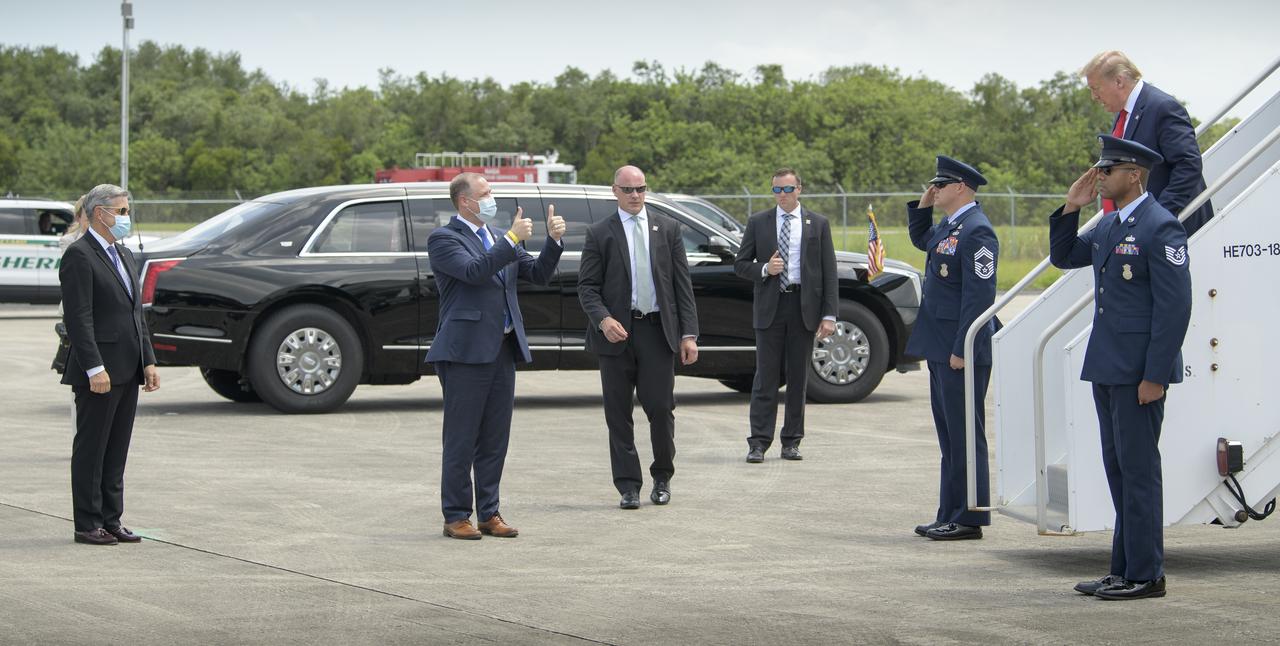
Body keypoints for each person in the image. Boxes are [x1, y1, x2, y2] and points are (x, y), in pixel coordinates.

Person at [1049, 136, 1192, 600]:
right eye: (1099, 170)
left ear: (1134, 175)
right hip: (1109, 365)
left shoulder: (1161, 226)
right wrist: (1071, 207)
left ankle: (1147, 574)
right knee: (1118, 471)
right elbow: (1065, 256)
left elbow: (1174, 309)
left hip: (1138, 374)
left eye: (1107, 172)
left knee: (1139, 472)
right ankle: (1123, 569)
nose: (1100, 178)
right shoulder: (1109, 225)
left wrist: (1155, 375)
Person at [426, 172, 565, 540]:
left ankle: (489, 512)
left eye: (492, 193)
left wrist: (552, 241)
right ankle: (456, 515)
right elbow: (474, 272)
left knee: (494, 438)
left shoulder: (495, 237)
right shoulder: (444, 238)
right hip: (465, 351)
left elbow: (537, 274)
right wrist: (511, 237)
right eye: (485, 194)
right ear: (464, 202)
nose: (492, 199)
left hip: (502, 347)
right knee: (461, 437)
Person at [578, 165, 699, 510]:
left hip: (657, 332)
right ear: (614, 190)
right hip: (616, 334)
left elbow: (682, 288)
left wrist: (688, 334)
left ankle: (662, 476)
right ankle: (628, 485)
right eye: (628, 189)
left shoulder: (668, 229)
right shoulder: (599, 233)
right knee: (618, 413)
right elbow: (587, 288)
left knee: (660, 409)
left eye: (641, 189)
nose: (635, 196)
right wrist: (603, 320)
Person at [905, 156, 1001, 541]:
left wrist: (963, 347)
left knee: (964, 434)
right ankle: (949, 511)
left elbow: (980, 297)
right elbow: (923, 241)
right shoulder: (952, 225)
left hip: (959, 348)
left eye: (940, 186)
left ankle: (969, 517)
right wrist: (923, 208)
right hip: (940, 344)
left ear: (960, 187)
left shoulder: (978, 231)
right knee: (949, 434)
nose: (935, 190)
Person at [59, 184, 160, 545]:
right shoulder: (79, 256)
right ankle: (87, 523)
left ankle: (111, 518)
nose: (125, 218)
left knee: (116, 449)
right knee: (92, 449)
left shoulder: (124, 254)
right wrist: (93, 368)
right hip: (99, 371)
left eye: (126, 211)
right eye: (119, 211)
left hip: (128, 366)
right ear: (98, 212)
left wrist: (148, 360)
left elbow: (136, 314)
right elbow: (79, 319)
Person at [732, 168, 837, 463]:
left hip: (803, 308)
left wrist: (829, 314)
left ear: (799, 189)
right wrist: (765, 269)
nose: (782, 195)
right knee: (765, 378)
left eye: (788, 189)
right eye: (777, 190)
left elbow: (828, 272)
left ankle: (791, 440)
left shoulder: (817, 224)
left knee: (798, 377)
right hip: (771, 307)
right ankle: (758, 441)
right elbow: (740, 265)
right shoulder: (759, 222)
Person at [1082, 50, 1214, 235]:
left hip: (1170, 233)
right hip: (1138, 232)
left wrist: (1157, 217)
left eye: (1096, 88)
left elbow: (1188, 165)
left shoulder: (1162, 107)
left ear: (1119, 81)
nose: (1093, 97)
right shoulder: (1123, 115)